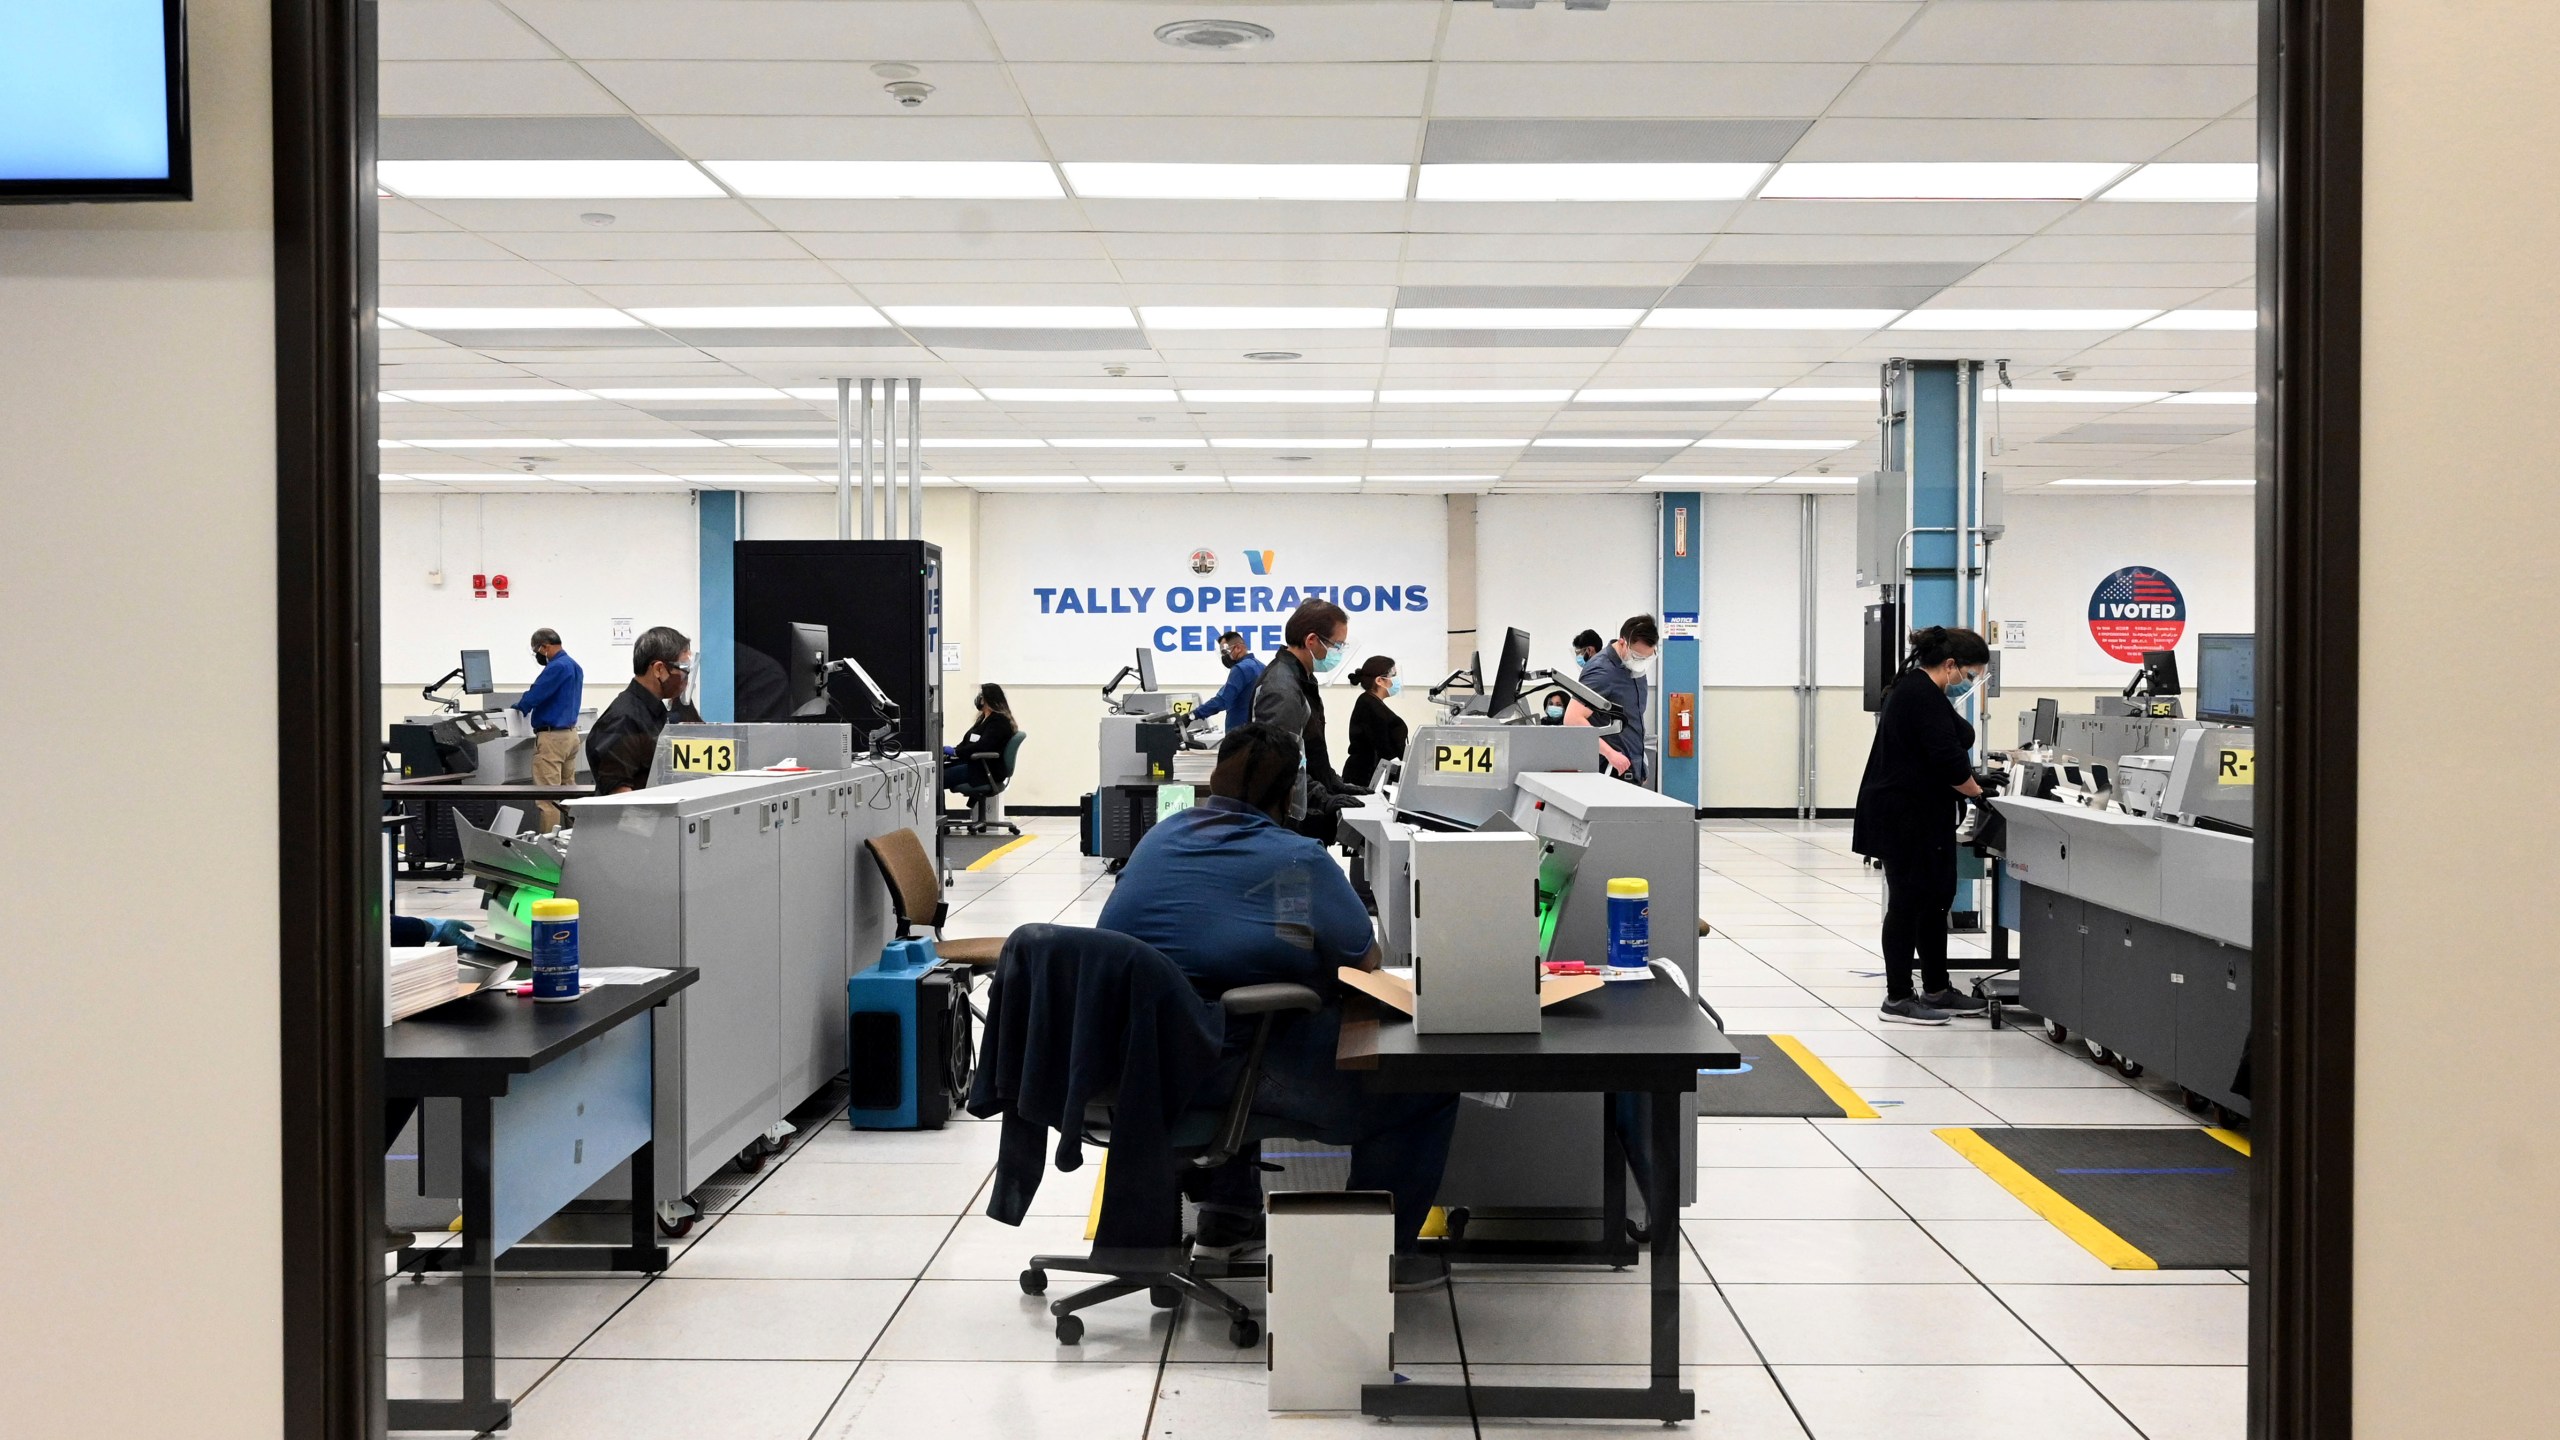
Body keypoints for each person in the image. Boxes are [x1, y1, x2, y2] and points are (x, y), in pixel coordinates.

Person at [1097, 723, 1459, 1280]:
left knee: (1228, 1010)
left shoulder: (1160, 837)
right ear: (1292, 795)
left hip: (1131, 1062)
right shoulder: (1299, 860)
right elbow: (1365, 964)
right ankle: (1376, 1262)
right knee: (1418, 1089)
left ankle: (1227, 1214)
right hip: (1216, 1063)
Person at [1851, 625, 1993, 1025]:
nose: (1965, 682)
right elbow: (1947, 760)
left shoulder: (1921, 691)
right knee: (1908, 905)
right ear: (1950, 665)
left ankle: (1936, 988)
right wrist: (1977, 794)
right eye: (1967, 674)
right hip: (1903, 818)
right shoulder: (1919, 695)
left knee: (1934, 902)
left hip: (1921, 815)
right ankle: (1897, 997)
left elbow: (1957, 736)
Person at [1253, 599, 1363, 843]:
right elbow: (1283, 762)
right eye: (1337, 645)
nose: (1339, 653)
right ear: (1311, 640)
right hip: (1288, 820)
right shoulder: (1281, 689)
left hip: (1300, 811)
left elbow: (1309, 748)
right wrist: (1324, 798)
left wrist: (1335, 784)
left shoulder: (1301, 678)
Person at [585, 626, 693, 797]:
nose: (686, 677)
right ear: (659, 669)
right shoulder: (622, 721)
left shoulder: (653, 712)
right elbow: (621, 800)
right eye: (684, 668)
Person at [511, 628, 585, 831]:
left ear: (545, 647)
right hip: (571, 736)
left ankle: (548, 851)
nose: (537, 655)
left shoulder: (557, 667)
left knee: (548, 799)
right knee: (569, 794)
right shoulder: (574, 665)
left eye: (537, 650)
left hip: (552, 738)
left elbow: (537, 693)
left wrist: (519, 707)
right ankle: (572, 842)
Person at [1578, 614, 1659, 783]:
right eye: (1638, 657)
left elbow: (1633, 718)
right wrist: (1610, 754)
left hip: (1631, 765)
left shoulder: (1634, 668)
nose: (1642, 662)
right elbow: (1573, 718)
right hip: (1609, 769)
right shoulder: (1601, 670)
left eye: (1648, 658)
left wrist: (1639, 765)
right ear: (1623, 642)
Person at [1342, 655, 1407, 788]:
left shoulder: (1372, 702)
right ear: (1379, 680)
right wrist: (1400, 767)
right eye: (1393, 674)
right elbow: (1381, 743)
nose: (1396, 679)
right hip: (1367, 776)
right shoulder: (1367, 704)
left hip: (1372, 772)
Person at [944, 682, 1017, 792]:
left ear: (989, 699)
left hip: (984, 771)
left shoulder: (999, 722)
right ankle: (939, 810)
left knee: (936, 779)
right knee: (935, 773)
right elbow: (969, 741)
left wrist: (956, 753)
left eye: (981, 696)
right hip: (974, 765)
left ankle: (937, 810)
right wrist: (954, 751)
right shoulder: (984, 719)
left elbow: (983, 746)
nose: (979, 699)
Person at [1187, 630, 1265, 731]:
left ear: (1238, 648)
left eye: (1225, 652)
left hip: (1241, 734)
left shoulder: (1240, 669)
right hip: (1258, 730)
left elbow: (1222, 700)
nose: (1224, 657)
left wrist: (1192, 715)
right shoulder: (1261, 667)